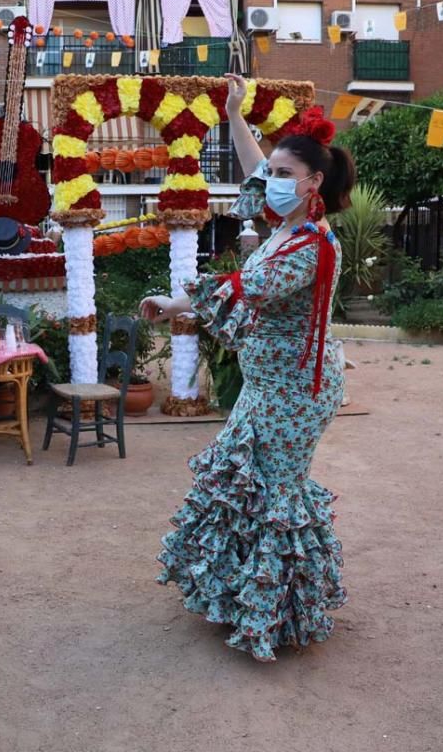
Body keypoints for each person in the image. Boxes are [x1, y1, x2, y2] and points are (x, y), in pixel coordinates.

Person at [141, 72, 355, 662]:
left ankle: (277, 615)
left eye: (286, 176)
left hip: (295, 392)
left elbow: (246, 288)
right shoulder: (286, 227)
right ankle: (239, 595)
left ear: (314, 182)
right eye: (275, 174)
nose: (273, 182)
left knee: (274, 492)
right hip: (269, 385)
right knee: (245, 484)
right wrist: (236, 114)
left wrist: (173, 301)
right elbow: (256, 167)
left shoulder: (311, 245)